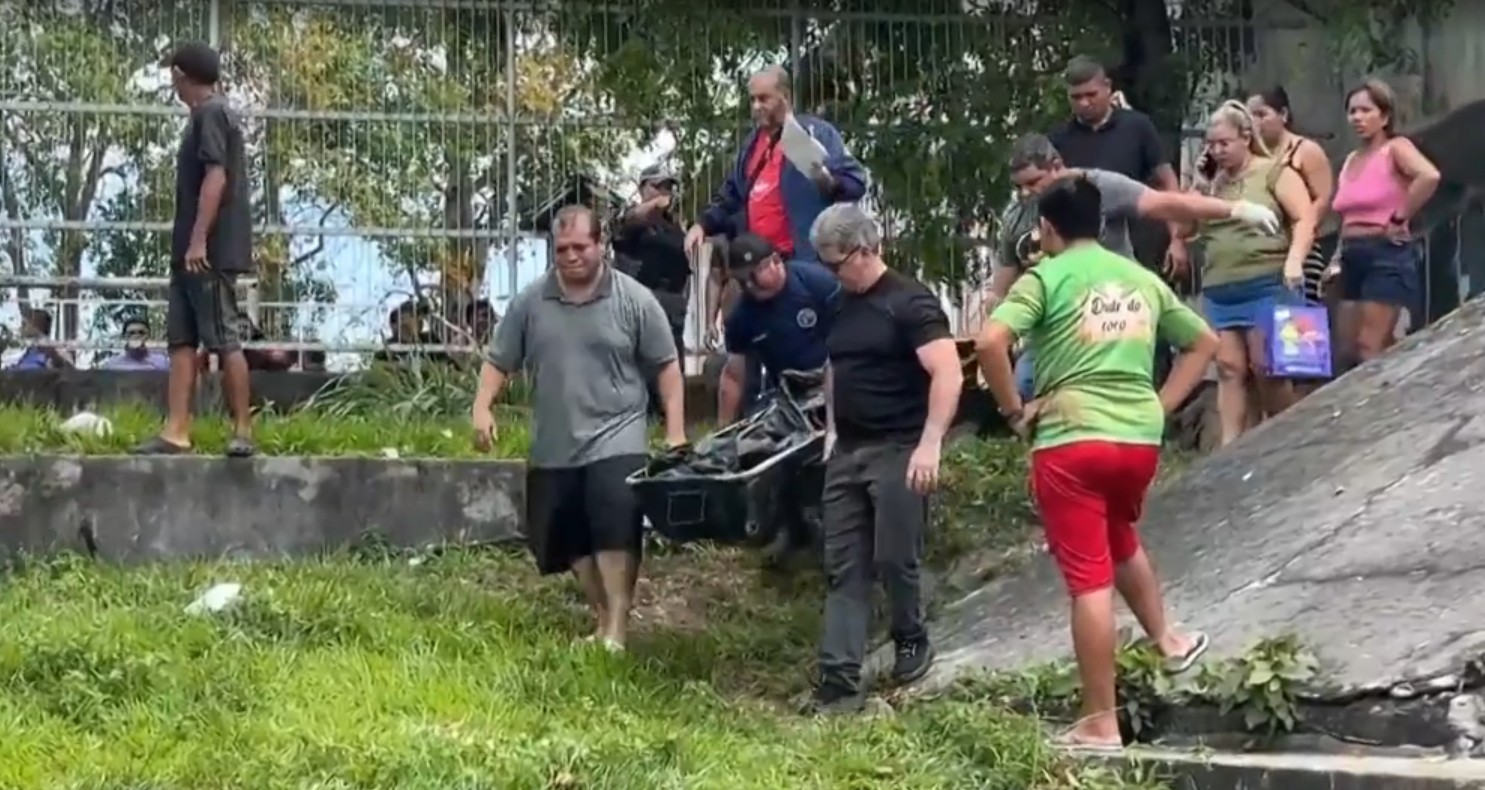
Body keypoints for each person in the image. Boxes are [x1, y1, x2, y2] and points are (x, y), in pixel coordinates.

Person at [975, 175, 1218, 750]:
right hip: (1137, 440)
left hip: (1072, 437)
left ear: (1048, 230)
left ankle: (1100, 722)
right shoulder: (1139, 278)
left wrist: (1014, 411)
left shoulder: (1046, 277)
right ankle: (1169, 639)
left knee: (1088, 582)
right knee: (1119, 533)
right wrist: (1157, 407)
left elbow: (989, 343)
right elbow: (1203, 342)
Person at [472, 205, 686, 652]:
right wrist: (482, 408)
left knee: (614, 526)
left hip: (619, 433)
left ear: (600, 245)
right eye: (562, 249)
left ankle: (616, 634)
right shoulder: (532, 301)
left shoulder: (633, 299)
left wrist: (675, 432)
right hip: (555, 442)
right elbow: (498, 361)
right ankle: (606, 618)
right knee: (568, 541)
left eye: (580, 247)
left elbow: (666, 368)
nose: (570, 256)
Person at [807, 204, 963, 714]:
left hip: (899, 446)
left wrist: (931, 442)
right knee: (843, 566)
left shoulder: (909, 301)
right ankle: (838, 679)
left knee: (896, 556)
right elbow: (836, 366)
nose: (832, 274)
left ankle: (910, 634)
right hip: (849, 451)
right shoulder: (842, 304)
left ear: (866, 249)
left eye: (836, 264)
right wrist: (831, 430)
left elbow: (948, 372)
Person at [990, 133, 1281, 402]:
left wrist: (1235, 210)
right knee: (1028, 384)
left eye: (1034, 182)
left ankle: (1150, 420)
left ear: (1056, 166)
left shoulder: (1097, 188)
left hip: (1114, 305)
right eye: (1019, 187)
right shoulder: (1018, 216)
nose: (1028, 193)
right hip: (1055, 317)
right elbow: (1001, 283)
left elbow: (1164, 203)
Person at [134, 42, 255, 458]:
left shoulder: (212, 114)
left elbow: (216, 177)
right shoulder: (203, 117)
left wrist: (200, 239)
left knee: (224, 337)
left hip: (209, 251)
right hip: (188, 250)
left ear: (180, 75)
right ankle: (176, 430)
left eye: (173, 75)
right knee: (181, 340)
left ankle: (242, 430)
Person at [1194, 101, 1316, 445]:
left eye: (1224, 143)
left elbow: (1304, 218)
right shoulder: (1212, 184)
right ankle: (1231, 446)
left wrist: (1295, 259)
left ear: (1246, 137)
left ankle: (1286, 436)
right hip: (1221, 287)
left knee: (1267, 367)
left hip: (1266, 281)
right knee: (1229, 368)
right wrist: (1199, 186)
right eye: (1212, 144)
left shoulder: (1274, 172)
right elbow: (1185, 225)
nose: (1217, 151)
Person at [718, 232, 841, 562]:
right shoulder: (743, 316)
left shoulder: (816, 284)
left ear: (775, 261)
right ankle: (791, 530)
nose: (750, 288)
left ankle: (843, 535)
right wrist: (724, 431)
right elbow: (734, 374)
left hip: (840, 373)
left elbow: (851, 337)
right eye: (742, 282)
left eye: (755, 276)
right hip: (790, 391)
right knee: (776, 452)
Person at [684, 65, 867, 266]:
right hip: (758, 265)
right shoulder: (751, 146)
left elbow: (856, 183)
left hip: (804, 260)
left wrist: (830, 182)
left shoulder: (816, 133)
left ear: (785, 97)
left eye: (764, 99)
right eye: (752, 99)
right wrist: (702, 225)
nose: (756, 106)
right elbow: (730, 196)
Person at [1328, 78, 1441, 367]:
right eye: (1352, 111)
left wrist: (1399, 217)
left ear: (1385, 116)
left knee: (1370, 344)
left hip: (1385, 253)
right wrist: (1336, 258)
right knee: (1347, 348)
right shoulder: (1352, 159)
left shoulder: (1395, 149)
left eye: (1366, 110)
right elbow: (1346, 215)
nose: (1357, 118)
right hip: (1352, 254)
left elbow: (1428, 176)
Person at [1050, 55, 1190, 278]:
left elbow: (1167, 182)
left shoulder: (1137, 126)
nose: (1084, 103)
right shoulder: (1059, 140)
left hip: (1141, 248)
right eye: (1076, 97)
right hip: (1085, 259)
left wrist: (1177, 239)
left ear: (1107, 87)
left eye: (1091, 94)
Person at [1248, 86, 1336, 307]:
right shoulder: (1250, 156)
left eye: (1262, 114)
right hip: (1260, 255)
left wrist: (1299, 235)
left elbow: (1323, 200)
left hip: (1300, 252)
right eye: (1249, 116)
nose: (1255, 123)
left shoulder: (1305, 151)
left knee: (1298, 327)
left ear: (1283, 115)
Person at [613, 163, 690, 360]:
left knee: (671, 364)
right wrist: (653, 204)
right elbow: (626, 223)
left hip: (672, 305)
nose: (664, 193)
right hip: (641, 301)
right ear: (642, 188)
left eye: (667, 187)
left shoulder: (672, 225)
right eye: (658, 186)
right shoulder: (631, 219)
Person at [5, 309, 73, 371]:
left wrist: (54, 355)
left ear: (36, 325)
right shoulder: (29, 350)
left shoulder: (54, 349)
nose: (21, 328)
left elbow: (68, 369)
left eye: (25, 324)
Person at [98, 317, 170, 370]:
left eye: (141, 333)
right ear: (124, 337)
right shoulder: (111, 365)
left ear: (148, 336)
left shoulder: (162, 363)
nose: (136, 336)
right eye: (131, 333)